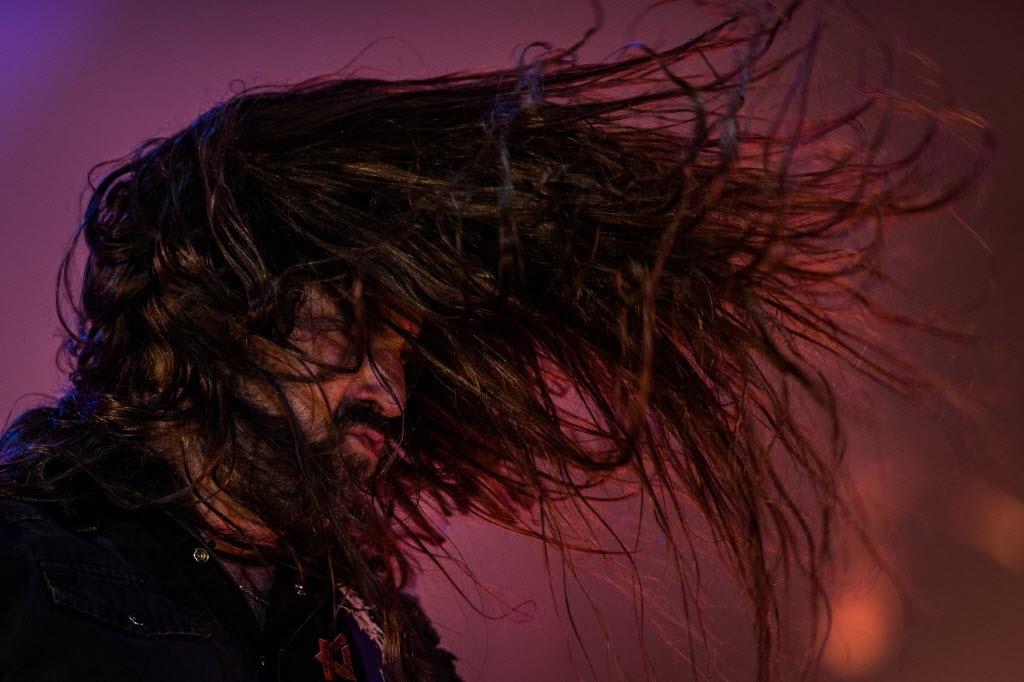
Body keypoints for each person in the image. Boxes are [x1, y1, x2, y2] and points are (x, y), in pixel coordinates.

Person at [0, 1, 990, 680]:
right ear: (213, 300)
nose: (389, 389)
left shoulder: (374, 631)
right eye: (350, 330)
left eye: (407, 350)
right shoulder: (22, 562)